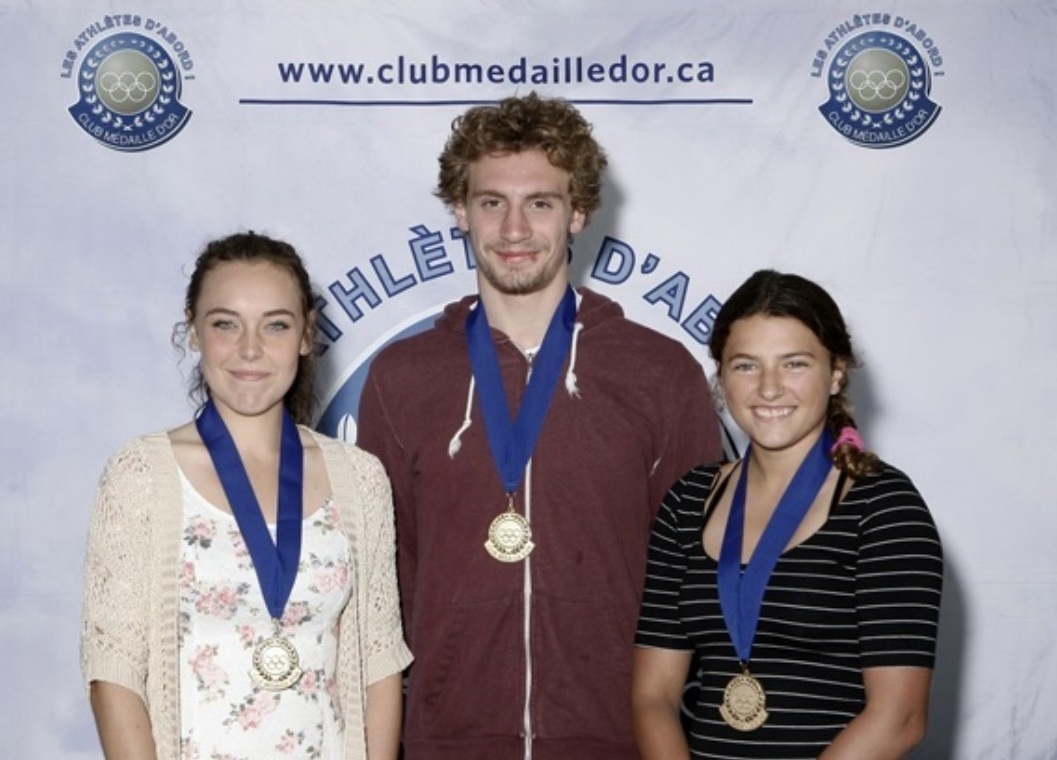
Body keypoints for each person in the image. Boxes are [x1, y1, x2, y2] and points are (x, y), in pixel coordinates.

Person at [356, 92, 723, 760]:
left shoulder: (658, 372)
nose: (514, 228)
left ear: (578, 211)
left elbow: (695, 577)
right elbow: (385, 577)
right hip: (447, 739)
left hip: (617, 736)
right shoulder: (400, 377)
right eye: (491, 202)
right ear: (459, 212)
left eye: (541, 203)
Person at [81, 232, 412, 760]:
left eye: (276, 325)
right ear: (193, 330)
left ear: (306, 335)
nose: (251, 349)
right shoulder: (140, 475)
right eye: (225, 324)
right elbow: (113, 673)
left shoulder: (361, 478)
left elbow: (379, 664)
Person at [632, 269, 943, 759]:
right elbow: (654, 697)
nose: (769, 389)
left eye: (794, 364)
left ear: (836, 371)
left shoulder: (884, 507)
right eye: (746, 366)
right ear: (720, 374)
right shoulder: (688, 501)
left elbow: (900, 718)